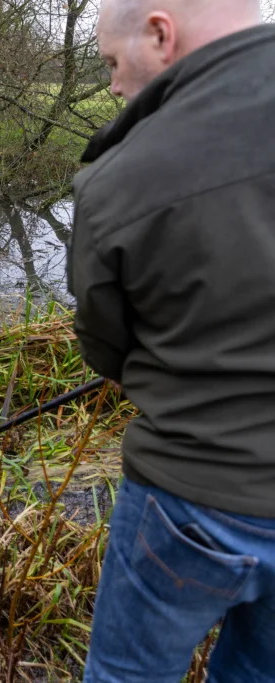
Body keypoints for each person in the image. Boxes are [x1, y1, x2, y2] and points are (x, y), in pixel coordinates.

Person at [68, 0, 275, 680]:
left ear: (160, 33)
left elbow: (106, 347)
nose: (113, 87)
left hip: (190, 500)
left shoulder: (121, 176)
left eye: (111, 64)